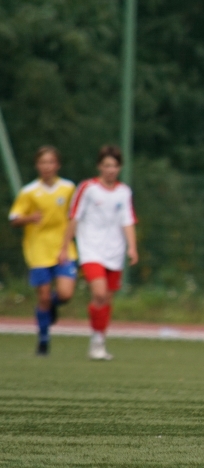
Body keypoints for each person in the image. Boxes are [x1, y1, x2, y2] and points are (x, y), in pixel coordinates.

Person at [59, 145, 138, 361]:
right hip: (91, 249)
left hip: (114, 251)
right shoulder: (88, 188)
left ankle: (98, 340)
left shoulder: (124, 191)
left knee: (106, 299)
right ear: (99, 166)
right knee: (100, 293)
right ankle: (96, 340)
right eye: (106, 165)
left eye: (114, 165)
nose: (110, 170)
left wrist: (132, 247)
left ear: (120, 168)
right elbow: (74, 217)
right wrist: (64, 247)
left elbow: (128, 221)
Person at [8, 146, 78, 356]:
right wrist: (29, 218)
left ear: (57, 164)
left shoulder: (67, 188)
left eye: (50, 162)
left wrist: (66, 246)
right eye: (42, 162)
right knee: (44, 297)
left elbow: (74, 216)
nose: (47, 166)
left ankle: (50, 308)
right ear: (37, 165)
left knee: (65, 294)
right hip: (38, 250)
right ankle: (43, 340)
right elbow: (14, 218)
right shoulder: (29, 192)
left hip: (64, 248)